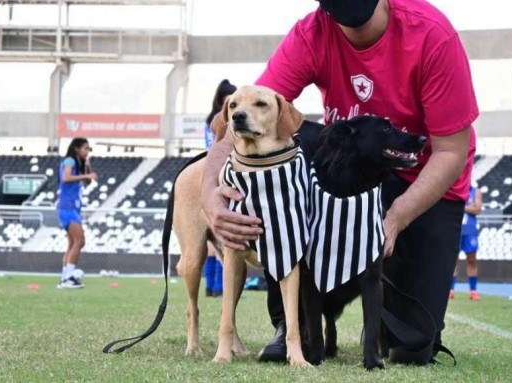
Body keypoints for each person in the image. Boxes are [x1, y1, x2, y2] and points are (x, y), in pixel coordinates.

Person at [201, 0, 477, 363]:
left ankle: (388, 322)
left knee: (411, 347)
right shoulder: (311, 33)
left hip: (421, 177)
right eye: (347, 27)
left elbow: (450, 152)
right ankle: (293, 322)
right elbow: (251, 117)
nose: (356, 36)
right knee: (285, 144)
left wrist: (392, 220)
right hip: (351, 172)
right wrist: (211, 197)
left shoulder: (432, 35)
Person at [203, 80, 237, 297]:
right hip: (219, 172)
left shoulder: (210, 119)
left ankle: (211, 287)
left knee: (211, 242)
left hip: (207, 170)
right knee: (220, 241)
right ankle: (219, 286)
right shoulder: (222, 119)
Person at [56, 137, 97, 289]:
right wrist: (86, 175)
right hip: (67, 207)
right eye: (85, 148)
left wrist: (87, 168)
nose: (87, 151)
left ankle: (65, 277)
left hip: (71, 207)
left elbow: (87, 181)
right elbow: (65, 178)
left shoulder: (78, 164)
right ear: (76, 149)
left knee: (72, 243)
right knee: (79, 241)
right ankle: (68, 277)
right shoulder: (69, 161)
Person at [451, 183, 483, 300]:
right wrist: (470, 207)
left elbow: (477, 209)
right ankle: (451, 289)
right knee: (453, 261)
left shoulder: (476, 192)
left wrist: (460, 206)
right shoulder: (454, 189)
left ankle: (473, 290)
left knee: (472, 260)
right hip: (456, 229)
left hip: (470, 230)